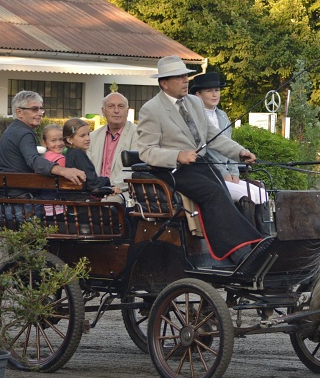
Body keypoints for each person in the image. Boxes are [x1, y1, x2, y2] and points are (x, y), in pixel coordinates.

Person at [136, 55, 270, 263]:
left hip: (200, 165)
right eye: (179, 77)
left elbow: (211, 137)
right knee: (214, 192)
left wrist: (239, 152)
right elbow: (147, 151)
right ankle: (243, 250)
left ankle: (244, 247)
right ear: (164, 83)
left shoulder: (194, 103)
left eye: (186, 76)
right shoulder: (151, 109)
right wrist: (177, 155)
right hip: (171, 170)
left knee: (224, 191)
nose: (185, 80)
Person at [0, 91, 85, 219]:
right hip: (23, 206)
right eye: (34, 109)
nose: (40, 113)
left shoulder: (11, 131)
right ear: (19, 112)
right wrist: (63, 171)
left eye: (41, 109)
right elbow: (34, 160)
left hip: (5, 204)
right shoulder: (24, 133)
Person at [190, 71, 267, 204]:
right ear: (198, 94)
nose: (215, 94)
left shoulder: (223, 116)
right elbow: (205, 151)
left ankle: (260, 225)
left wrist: (234, 172)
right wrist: (223, 173)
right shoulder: (194, 118)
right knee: (248, 196)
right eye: (209, 91)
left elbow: (229, 144)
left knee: (262, 195)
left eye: (217, 90)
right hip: (211, 174)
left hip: (228, 173)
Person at [88, 92, 138, 192]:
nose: (116, 111)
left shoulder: (138, 134)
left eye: (121, 106)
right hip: (94, 191)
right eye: (111, 106)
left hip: (124, 192)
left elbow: (134, 169)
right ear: (103, 111)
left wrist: (110, 188)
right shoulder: (93, 136)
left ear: (127, 111)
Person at [63, 118, 111, 191]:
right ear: (69, 140)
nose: (88, 138)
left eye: (88, 134)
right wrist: (107, 181)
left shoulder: (69, 153)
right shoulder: (78, 154)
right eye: (82, 136)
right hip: (83, 199)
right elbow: (92, 182)